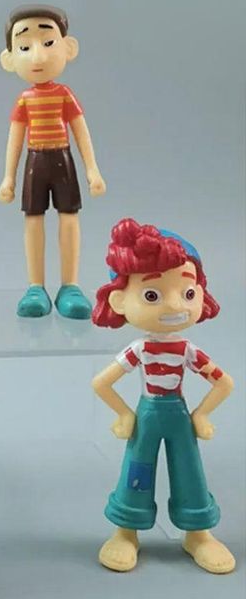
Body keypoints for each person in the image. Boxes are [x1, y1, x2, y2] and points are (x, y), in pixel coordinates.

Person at [91, 218, 234, 574]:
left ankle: (198, 533)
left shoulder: (187, 350)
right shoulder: (140, 349)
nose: (174, 306)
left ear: (201, 292)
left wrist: (201, 414)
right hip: (148, 414)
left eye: (188, 293)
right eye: (152, 295)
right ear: (119, 300)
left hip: (179, 416)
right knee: (137, 468)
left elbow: (224, 382)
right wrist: (125, 414)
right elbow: (102, 383)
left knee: (189, 468)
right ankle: (126, 531)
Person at [0, 5, 106, 319]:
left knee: (69, 217)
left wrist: (92, 169)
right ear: (9, 58)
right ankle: (36, 287)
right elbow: (15, 138)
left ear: (68, 48)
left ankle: (70, 286)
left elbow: (81, 131)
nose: (38, 56)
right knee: (33, 219)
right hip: (35, 162)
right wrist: (8, 177)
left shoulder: (64, 95)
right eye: (24, 47)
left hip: (62, 159)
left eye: (48, 43)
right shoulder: (25, 100)